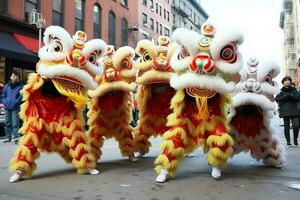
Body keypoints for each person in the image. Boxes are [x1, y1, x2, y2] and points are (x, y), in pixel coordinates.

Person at [275, 76, 300, 147]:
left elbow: (298, 98)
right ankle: (288, 141)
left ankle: (295, 139)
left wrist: (292, 96)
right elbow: (277, 99)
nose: (287, 81)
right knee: (286, 127)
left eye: (288, 80)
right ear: (283, 83)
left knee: (296, 125)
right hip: (285, 110)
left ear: (290, 81)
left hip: (295, 110)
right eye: (285, 80)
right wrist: (285, 96)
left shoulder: (294, 90)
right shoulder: (281, 91)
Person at [2, 72, 24, 144]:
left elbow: (22, 96)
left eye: (16, 76)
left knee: (15, 123)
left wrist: (16, 102)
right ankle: (8, 137)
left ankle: (15, 138)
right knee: (7, 123)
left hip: (15, 107)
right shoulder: (6, 86)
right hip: (7, 107)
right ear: (10, 77)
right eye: (13, 76)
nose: (15, 77)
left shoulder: (21, 86)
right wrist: (5, 102)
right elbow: (3, 95)